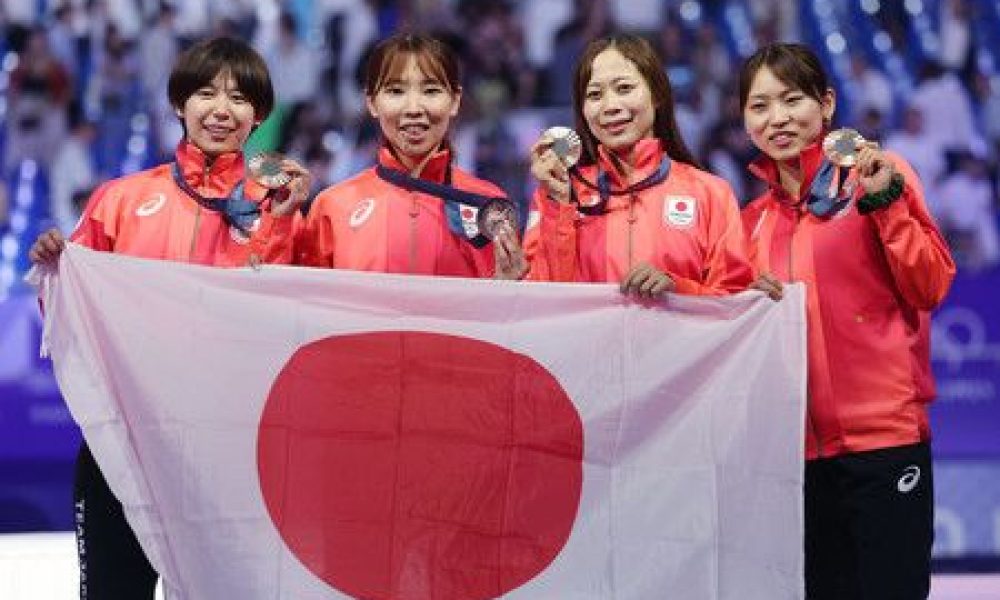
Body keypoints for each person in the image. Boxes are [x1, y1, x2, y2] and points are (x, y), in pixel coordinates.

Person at [29, 37, 311, 599]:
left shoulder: (280, 210)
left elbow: (278, 318)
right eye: (205, 92)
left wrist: (279, 224)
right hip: (125, 440)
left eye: (238, 97)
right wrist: (58, 267)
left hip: (228, 449)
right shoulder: (121, 199)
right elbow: (71, 318)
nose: (221, 108)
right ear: (179, 104)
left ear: (259, 115)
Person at [738, 42, 955, 599]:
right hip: (795, 459)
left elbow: (929, 285)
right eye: (760, 106)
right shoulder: (751, 222)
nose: (777, 118)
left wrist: (887, 203)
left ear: (827, 103)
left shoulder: (879, 176)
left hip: (884, 443)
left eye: (792, 100)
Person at [526, 34, 752, 297]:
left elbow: (736, 305)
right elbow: (541, 304)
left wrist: (678, 289)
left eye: (624, 88)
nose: (610, 106)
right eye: (595, 94)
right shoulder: (559, 195)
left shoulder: (710, 194)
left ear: (656, 94)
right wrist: (558, 206)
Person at [297, 32, 525, 280]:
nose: (414, 108)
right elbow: (308, 304)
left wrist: (511, 288)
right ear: (372, 102)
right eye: (396, 91)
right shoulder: (333, 206)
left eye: (430, 91)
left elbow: (508, 308)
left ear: (455, 101)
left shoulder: (489, 206)